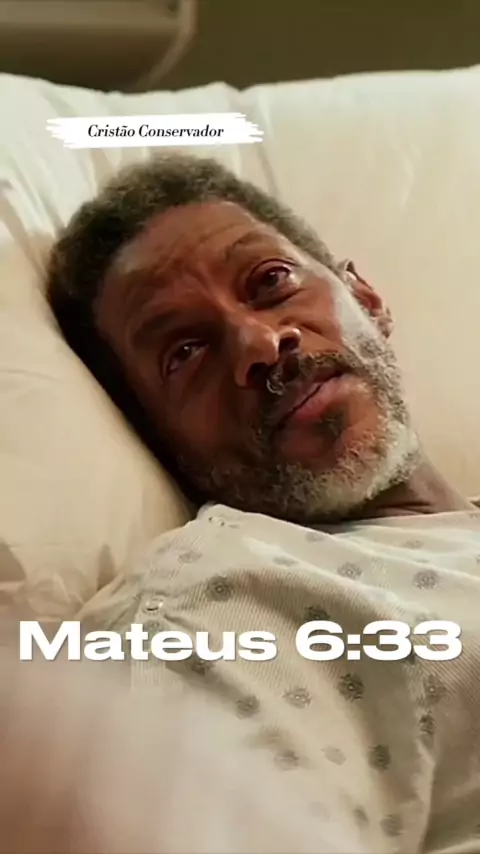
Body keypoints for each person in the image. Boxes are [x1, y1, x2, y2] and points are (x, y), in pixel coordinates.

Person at [39, 153, 480, 852]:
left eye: (271, 282)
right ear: (158, 437)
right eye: (185, 352)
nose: (261, 344)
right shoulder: (220, 602)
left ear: (365, 297)